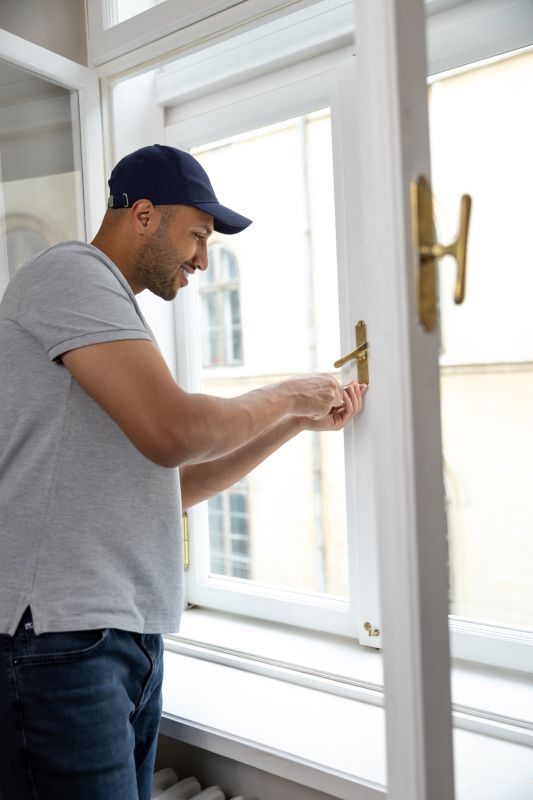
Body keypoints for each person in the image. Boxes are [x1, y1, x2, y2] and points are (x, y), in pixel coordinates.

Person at [0, 144, 366, 800]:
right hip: (60, 641)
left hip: (117, 642)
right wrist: (289, 393)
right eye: (196, 235)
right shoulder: (71, 274)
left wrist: (295, 421)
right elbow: (176, 433)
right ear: (143, 215)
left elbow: (171, 487)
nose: (202, 258)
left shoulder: (108, 315)